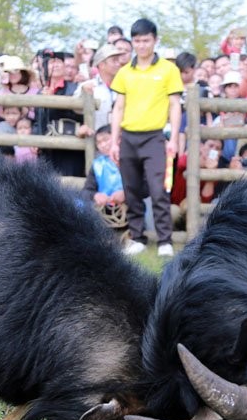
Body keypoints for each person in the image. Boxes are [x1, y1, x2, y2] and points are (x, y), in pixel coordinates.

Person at [110, 18, 184, 257]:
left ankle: (165, 240)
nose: (142, 45)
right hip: (129, 137)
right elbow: (118, 107)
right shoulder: (124, 72)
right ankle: (137, 236)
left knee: (158, 188)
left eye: (146, 40)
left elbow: (175, 106)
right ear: (132, 42)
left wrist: (173, 138)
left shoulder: (168, 70)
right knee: (131, 188)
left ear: (155, 40)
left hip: (154, 137)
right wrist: (114, 140)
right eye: (137, 41)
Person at [73, 43, 127, 133]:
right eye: (114, 60)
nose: (118, 64)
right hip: (97, 140)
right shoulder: (87, 86)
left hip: (122, 139)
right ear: (102, 65)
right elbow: (75, 109)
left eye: (118, 60)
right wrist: (84, 94)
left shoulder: (126, 86)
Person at [81, 125, 125, 208]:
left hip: (130, 210)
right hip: (105, 210)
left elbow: (144, 188)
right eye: (99, 142)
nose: (103, 145)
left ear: (118, 138)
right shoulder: (97, 165)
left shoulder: (130, 160)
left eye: (106, 139)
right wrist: (95, 195)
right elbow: (86, 191)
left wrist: (126, 194)